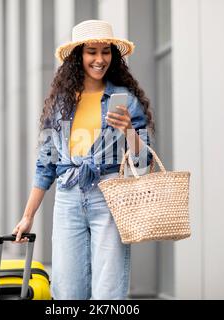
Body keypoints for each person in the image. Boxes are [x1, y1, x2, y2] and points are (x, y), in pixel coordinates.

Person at [12, 20, 155, 300]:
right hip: (67, 197)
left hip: (110, 195)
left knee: (109, 290)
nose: (99, 59)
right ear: (79, 56)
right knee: (67, 289)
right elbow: (46, 163)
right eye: (92, 51)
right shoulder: (62, 102)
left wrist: (128, 129)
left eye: (106, 52)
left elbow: (143, 163)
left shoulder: (124, 98)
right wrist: (27, 216)